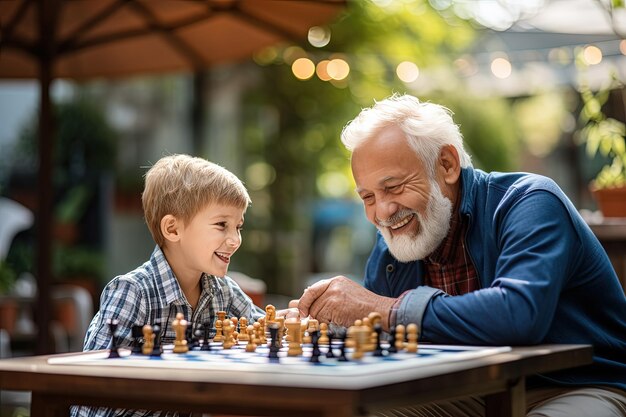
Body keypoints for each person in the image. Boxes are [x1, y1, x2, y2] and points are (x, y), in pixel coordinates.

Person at [295, 94, 626, 416]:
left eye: (394, 187)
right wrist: (331, 321)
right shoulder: (394, 245)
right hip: (468, 392)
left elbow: (519, 315)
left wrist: (383, 309)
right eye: (368, 197)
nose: (383, 211)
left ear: (447, 165)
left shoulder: (529, 201)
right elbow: (378, 335)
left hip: (580, 384)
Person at [73, 154, 282, 417]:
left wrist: (300, 317)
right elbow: (90, 400)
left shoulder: (222, 290)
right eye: (222, 225)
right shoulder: (133, 292)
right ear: (172, 229)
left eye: (238, 227)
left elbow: (266, 328)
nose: (235, 239)